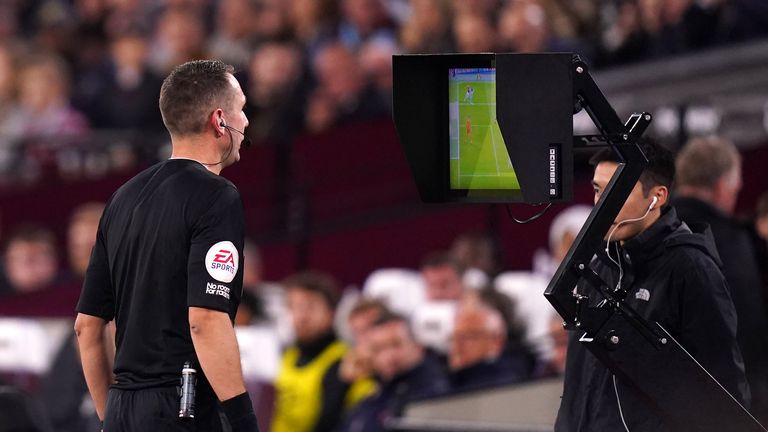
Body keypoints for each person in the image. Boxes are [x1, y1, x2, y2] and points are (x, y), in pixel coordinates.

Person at [74, 60, 258, 432]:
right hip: (182, 406)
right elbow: (205, 321)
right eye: (241, 109)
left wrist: (111, 415)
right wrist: (244, 421)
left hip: (123, 406)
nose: (247, 121)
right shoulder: (216, 196)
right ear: (219, 120)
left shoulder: (121, 199)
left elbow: (87, 327)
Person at [555, 139, 749, 431]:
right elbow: (578, 384)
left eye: (615, 191)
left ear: (656, 197)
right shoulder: (595, 266)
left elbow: (725, 393)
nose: (600, 204)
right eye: (598, 190)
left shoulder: (691, 269)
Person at [672, 136, 768, 422]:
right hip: (730, 406)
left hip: (668, 404)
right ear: (721, 187)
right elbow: (746, 331)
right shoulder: (730, 239)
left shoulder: (650, 232)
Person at [272, 271, 368, 432]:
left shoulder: (347, 361)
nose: (301, 316)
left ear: (332, 313)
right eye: (293, 307)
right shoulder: (286, 355)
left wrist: (342, 385)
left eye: (310, 307)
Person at [339, 312, 449, 432]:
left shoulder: (434, 393)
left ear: (417, 345)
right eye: (379, 349)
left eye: (396, 345)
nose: (388, 356)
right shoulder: (375, 395)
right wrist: (343, 384)